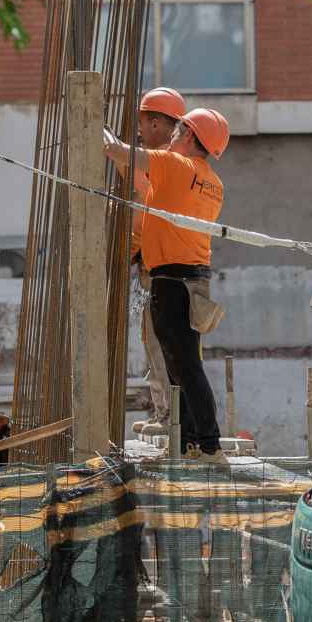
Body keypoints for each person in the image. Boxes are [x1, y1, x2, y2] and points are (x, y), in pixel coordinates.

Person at [103, 107, 229, 458]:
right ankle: (190, 443)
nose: (172, 134)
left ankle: (209, 447)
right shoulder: (214, 185)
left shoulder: (173, 165)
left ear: (189, 135)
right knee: (181, 365)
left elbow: (120, 153)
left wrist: (98, 129)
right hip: (195, 280)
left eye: (179, 130)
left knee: (185, 367)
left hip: (172, 280)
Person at [130, 87, 185, 435]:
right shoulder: (158, 162)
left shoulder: (165, 163)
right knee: (154, 342)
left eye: (141, 122)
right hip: (153, 264)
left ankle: (171, 419)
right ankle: (165, 413)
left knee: (166, 344)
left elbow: (142, 212)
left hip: (167, 269)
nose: (137, 131)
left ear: (154, 122)